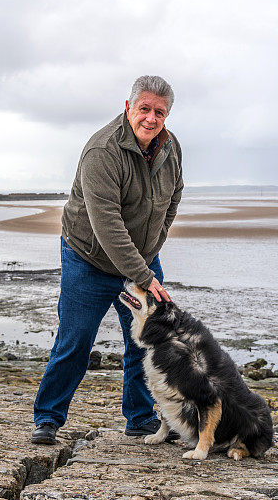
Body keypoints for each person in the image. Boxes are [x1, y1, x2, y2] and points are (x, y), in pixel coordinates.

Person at [32, 75, 183, 444]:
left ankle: (139, 418)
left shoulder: (169, 146)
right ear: (128, 107)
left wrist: (150, 252)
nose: (151, 118)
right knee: (75, 340)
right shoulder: (102, 151)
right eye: (144, 109)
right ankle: (48, 418)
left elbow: (174, 195)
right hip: (89, 258)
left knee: (146, 341)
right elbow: (107, 226)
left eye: (159, 112)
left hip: (140, 260)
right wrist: (144, 276)